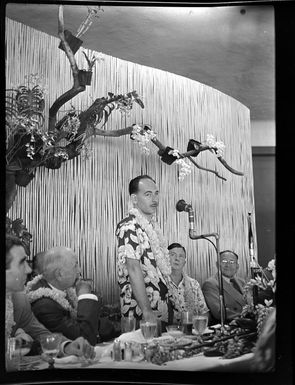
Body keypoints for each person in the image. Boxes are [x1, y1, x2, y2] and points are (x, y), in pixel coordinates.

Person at [5, 235, 95, 370]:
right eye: (21, 262)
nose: (29, 270)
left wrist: (67, 346)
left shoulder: (19, 299)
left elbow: (42, 334)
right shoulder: (42, 302)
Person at [25, 246, 117, 345]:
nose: (79, 270)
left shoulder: (62, 290)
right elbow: (84, 339)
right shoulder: (44, 305)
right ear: (59, 274)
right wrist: (84, 296)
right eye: (75, 266)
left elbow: (96, 324)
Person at [116, 175, 172, 328]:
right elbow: (133, 268)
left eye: (156, 193)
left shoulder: (152, 227)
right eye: (148, 194)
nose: (154, 199)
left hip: (161, 307)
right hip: (140, 311)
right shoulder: (128, 226)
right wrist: (147, 310)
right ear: (134, 199)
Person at [167, 243, 209, 323]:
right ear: (165, 258)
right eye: (173, 255)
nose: (177, 259)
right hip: (168, 331)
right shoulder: (159, 283)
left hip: (191, 330)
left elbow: (204, 312)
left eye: (181, 256)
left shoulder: (194, 284)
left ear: (184, 262)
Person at [202, 250, 247, 324]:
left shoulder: (242, 282)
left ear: (237, 266)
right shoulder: (210, 284)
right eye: (224, 261)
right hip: (228, 326)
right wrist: (245, 317)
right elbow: (219, 312)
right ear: (217, 264)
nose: (228, 265)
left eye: (232, 262)